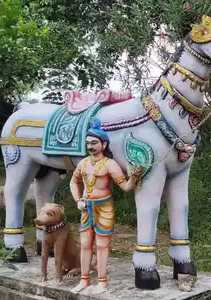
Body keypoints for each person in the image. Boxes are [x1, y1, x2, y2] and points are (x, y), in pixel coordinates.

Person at [70, 118, 143, 294]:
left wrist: (133, 177)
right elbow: (73, 182)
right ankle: (84, 279)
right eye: (88, 143)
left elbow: (125, 187)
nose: (90, 146)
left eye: (94, 143)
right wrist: (78, 200)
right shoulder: (83, 163)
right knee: (85, 243)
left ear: (104, 144)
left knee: (102, 245)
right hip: (86, 207)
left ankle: (102, 281)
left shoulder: (110, 164)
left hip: (104, 208)